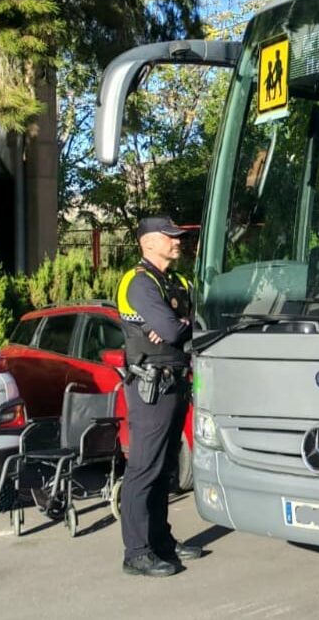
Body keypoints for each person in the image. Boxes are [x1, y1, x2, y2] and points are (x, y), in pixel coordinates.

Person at [116, 216, 202, 577]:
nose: (177, 241)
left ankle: (161, 542)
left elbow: (197, 322)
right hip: (151, 387)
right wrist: (175, 325)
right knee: (143, 469)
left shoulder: (176, 280)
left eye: (177, 236)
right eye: (170, 237)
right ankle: (136, 552)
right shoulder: (139, 282)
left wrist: (178, 325)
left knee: (164, 468)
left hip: (176, 383)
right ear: (148, 243)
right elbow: (171, 328)